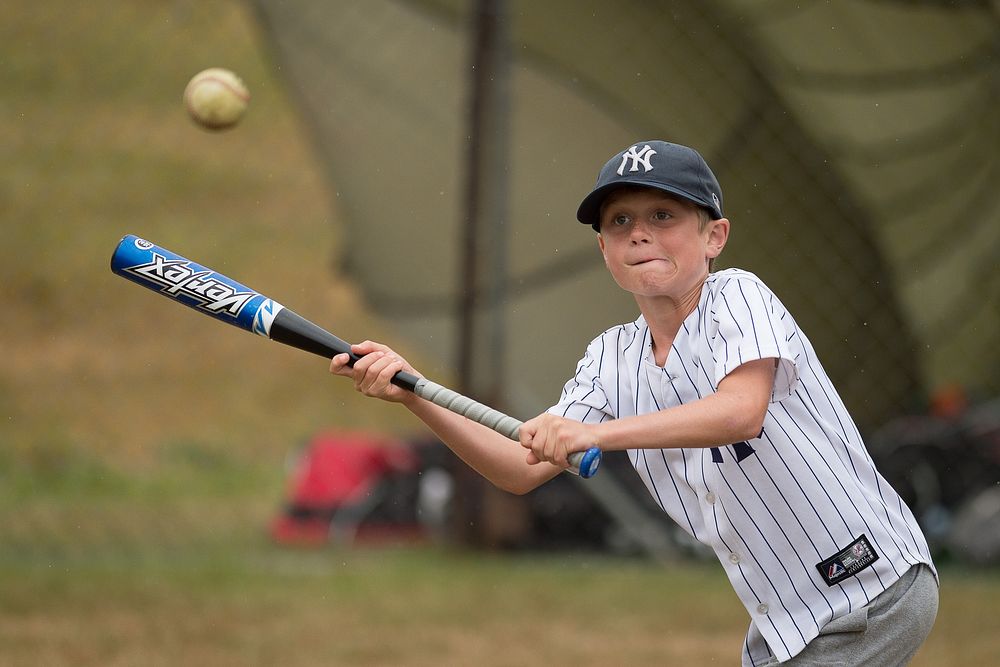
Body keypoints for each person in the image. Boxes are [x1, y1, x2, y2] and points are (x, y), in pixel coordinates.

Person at [330, 140, 938, 665]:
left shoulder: (738, 298)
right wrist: (412, 393)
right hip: (787, 620)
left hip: (868, 586)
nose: (639, 231)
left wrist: (597, 436)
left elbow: (739, 412)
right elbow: (519, 467)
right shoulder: (610, 359)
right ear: (603, 251)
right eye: (619, 222)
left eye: (663, 214)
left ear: (714, 236)